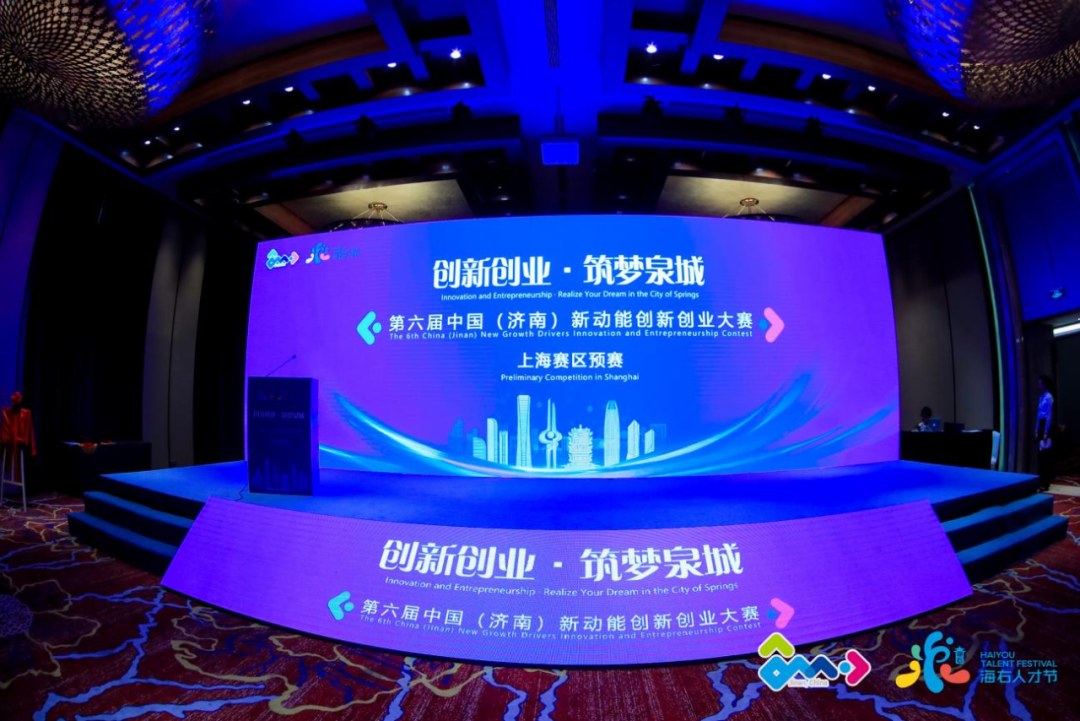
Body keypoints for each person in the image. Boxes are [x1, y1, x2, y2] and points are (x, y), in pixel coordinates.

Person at [1035, 375, 1055, 491]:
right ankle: (1041, 482)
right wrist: (1036, 430)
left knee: (1045, 457)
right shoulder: (1041, 397)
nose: (1038, 386)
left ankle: (1045, 483)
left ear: (1045, 385)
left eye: (1040, 384)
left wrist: (1045, 432)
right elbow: (1039, 416)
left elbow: (1048, 416)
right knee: (1041, 456)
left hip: (1046, 426)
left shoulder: (1048, 397)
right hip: (1041, 425)